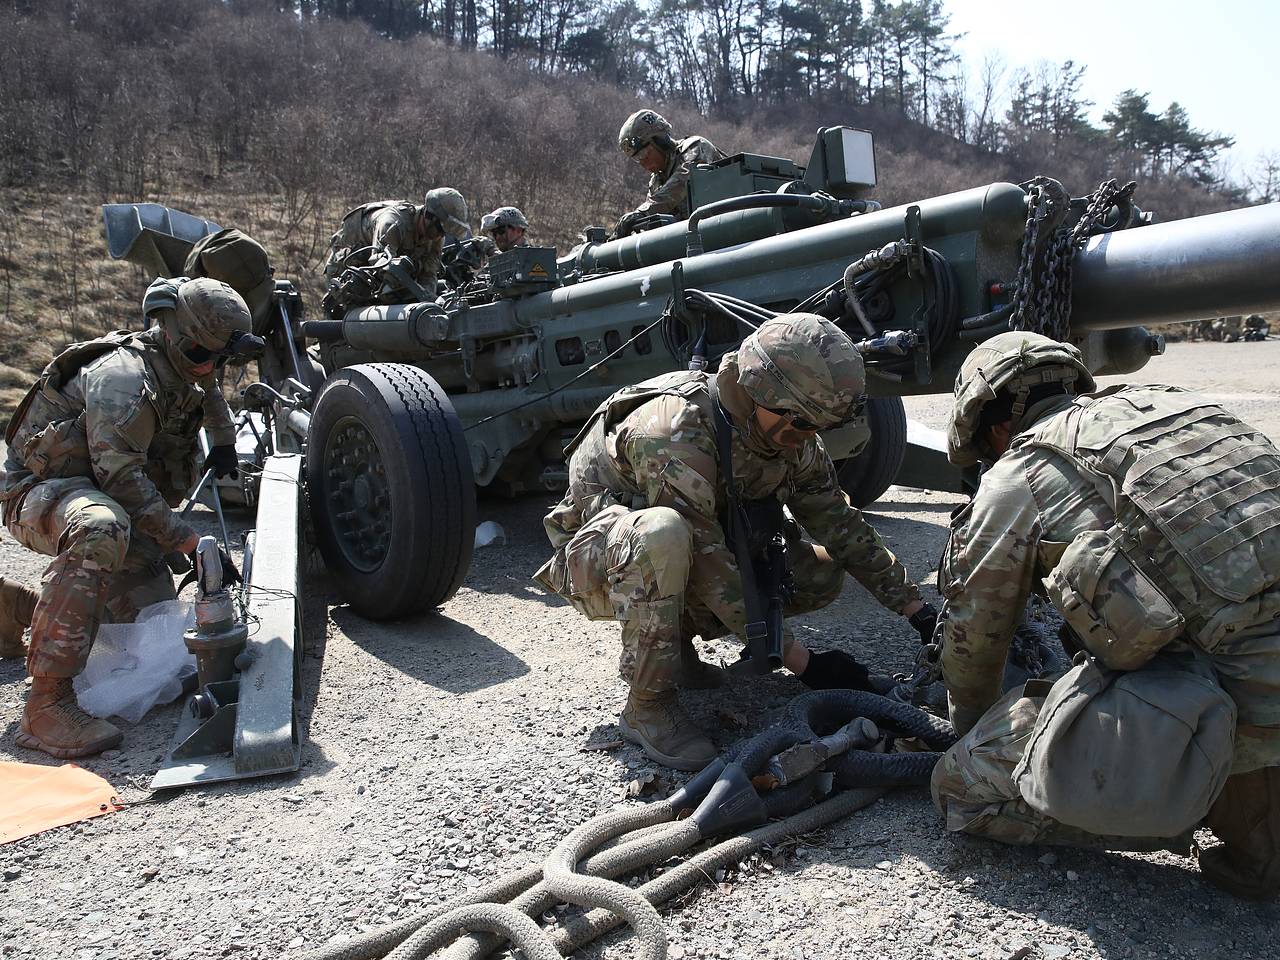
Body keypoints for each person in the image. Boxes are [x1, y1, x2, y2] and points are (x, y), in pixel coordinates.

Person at [930, 330, 1280, 900]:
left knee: (963, 788)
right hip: (1259, 676)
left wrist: (967, 730)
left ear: (996, 429)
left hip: (1242, 709)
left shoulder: (1018, 474)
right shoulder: (1181, 407)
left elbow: (976, 638)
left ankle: (1174, 810)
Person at [534, 314, 937, 771]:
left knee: (819, 571)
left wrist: (917, 611)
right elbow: (707, 564)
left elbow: (839, 523)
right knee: (663, 535)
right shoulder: (673, 433)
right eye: (802, 423)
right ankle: (647, 705)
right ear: (759, 393)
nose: (807, 437)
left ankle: (678, 653)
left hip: (693, 543)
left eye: (817, 427)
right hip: (601, 561)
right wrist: (805, 662)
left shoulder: (789, 432)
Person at [0, 278, 263, 759]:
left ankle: (18, 609)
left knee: (151, 643)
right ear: (176, 335)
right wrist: (183, 540)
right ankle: (44, 706)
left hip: (104, 496)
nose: (214, 367)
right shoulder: (124, 378)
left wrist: (223, 440)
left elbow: (210, 390)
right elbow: (120, 479)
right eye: (207, 355)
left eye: (223, 359)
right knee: (101, 529)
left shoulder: (191, 358)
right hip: (39, 491)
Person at [323, 188, 470, 297]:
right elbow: (381, 268)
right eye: (439, 228)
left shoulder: (436, 238)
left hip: (377, 271)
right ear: (428, 216)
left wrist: (427, 302)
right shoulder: (393, 224)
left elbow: (429, 274)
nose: (439, 236)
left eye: (444, 232)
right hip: (346, 269)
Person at [614, 110, 726, 238]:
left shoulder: (696, 147)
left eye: (644, 155)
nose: (643, 163)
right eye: (637, 159)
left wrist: (642, 213)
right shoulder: (656, 182)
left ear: (660, 141)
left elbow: (681, 182)